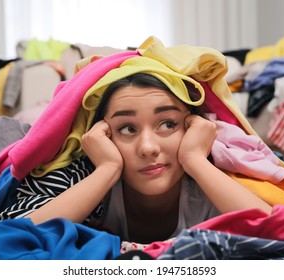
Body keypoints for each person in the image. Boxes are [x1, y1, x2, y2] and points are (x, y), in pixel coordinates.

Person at [25, 72, 271, 244]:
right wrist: (107, 169)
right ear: (102, 135)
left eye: (168, 124)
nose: (148, 148)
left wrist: (194, 159)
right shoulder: (81, 175)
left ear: (194, 127)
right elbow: (12, 238)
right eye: (127, 129)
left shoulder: (215, 180)